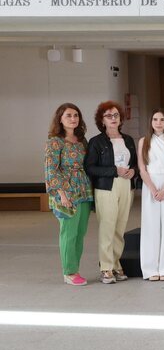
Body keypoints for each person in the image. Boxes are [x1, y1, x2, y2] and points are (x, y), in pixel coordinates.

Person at [85, 101, 139, 284]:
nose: (113, 118)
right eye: (109, 116)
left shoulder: (129, 140)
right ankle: (106, 268)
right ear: (102, 120)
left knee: (120, 228)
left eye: (116, 115)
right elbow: (90, 168)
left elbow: (136, 163)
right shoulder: (96, 142)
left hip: (126, 186)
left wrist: (134, 171)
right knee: (107, 227)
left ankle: (116, 264)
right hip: (106, 187)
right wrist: (114, 171)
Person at [45, 103, 94, 286]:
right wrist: (62, 195)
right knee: (69, 233)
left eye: (76, 115)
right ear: (60, 118)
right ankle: (69, 271)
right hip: (66, 192)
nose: (73, 119)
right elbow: (51, 170)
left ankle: (76, 269)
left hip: (84, 190)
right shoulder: (54, 141)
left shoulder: (82, 140)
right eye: (68, 115)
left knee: (80, 233)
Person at [136, 109, 164, 281]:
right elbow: (142, 168)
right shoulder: (143, 141)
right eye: (155, 119)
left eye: (162, 119)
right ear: (150, 122)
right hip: (150, 184)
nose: (158, 123)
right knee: (150, 226)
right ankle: (150, 269)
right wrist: (154, 189)